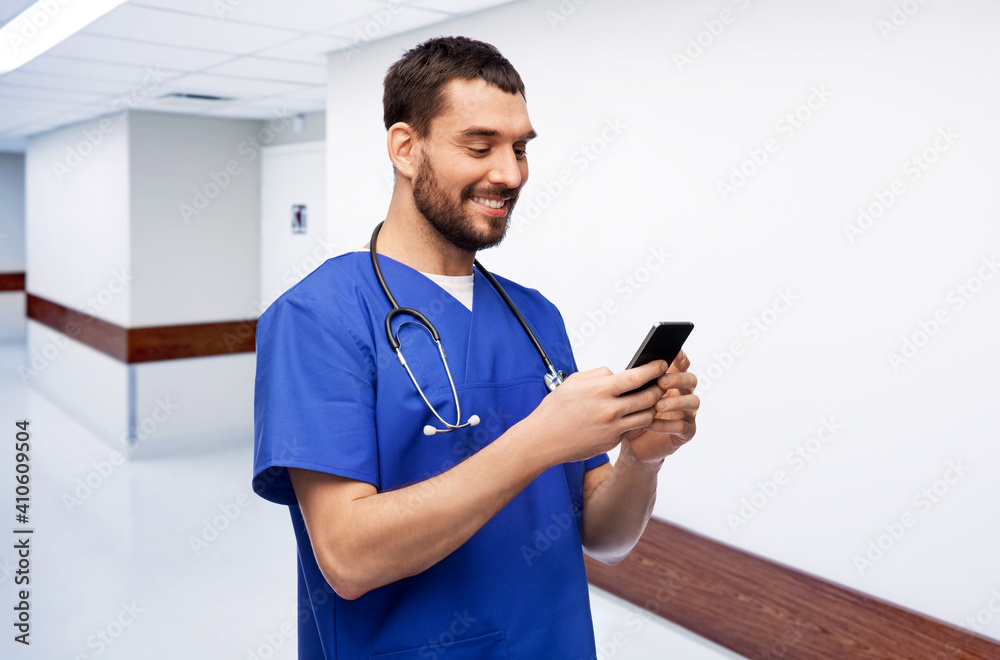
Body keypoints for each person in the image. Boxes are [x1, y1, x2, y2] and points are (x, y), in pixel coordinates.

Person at [252, 35, 700, 659]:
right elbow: (348, 557)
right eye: (480, 146)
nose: (510, 173)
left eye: (520, 148)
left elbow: (603, 536)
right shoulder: (318, 317)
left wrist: (641, 460)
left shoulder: (533, 315)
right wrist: (542, 438)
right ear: (406, 149)